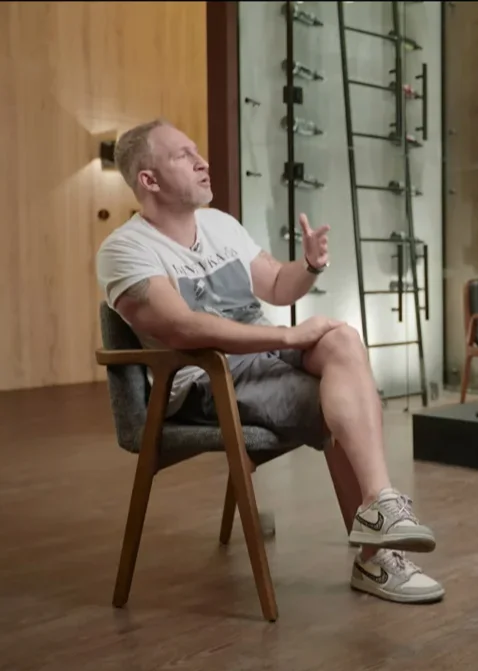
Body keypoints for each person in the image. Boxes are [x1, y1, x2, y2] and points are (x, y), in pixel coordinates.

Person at [95, 119, 444, 604]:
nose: (202, 162)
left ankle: (379, 504)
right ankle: (376, 558)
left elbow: (278, 284)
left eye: (197, 151)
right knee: (335, 402)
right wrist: (287, 335)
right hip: (208, 377)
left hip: (263, 356)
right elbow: (182, 328)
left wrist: (310, 265)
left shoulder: (220, 225)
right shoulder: (124, 250)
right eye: (183, 155)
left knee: (343, 341)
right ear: (148, 180)